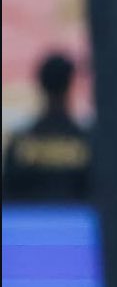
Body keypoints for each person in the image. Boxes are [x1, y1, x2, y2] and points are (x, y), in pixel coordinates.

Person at [1, 51, 92, 204]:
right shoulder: (88, 141)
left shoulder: (20, 142)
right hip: (77, 219)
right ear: (71, 85)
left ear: (40, 84)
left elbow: (8, 195)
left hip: (28, 219)